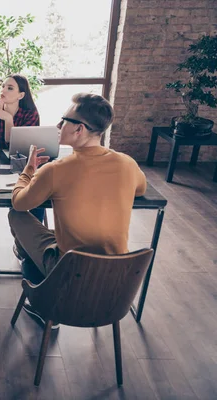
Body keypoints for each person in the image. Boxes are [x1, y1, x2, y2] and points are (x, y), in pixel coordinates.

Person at [9, 93, 147, 328]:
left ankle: (36, 285)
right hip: (115, 280)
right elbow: (141, 190)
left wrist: (29, 170)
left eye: (64, 120)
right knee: (56, 235)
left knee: (17, 216)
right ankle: (29, 256)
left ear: (79, 129)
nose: (59, 125)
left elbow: (19, 202)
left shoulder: (55, 170)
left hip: (69, 275)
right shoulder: (127, 163)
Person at [0, 74, 45, 223]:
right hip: (1, 163)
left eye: (10, 88)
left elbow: (15, 147)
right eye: (3, 86)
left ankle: (34, 232)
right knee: (14, 197)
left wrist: (8, 119)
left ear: (21, 95)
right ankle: (21, 235)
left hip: (25, 162)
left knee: (37, 191)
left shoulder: (30, 114)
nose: (3, 90)